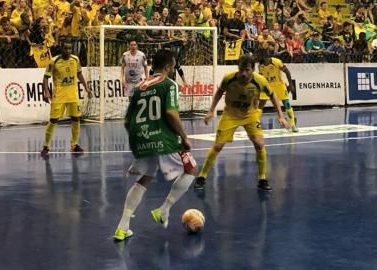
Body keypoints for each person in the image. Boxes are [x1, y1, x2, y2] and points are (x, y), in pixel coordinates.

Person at [114, 49, 198, 241]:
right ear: (169, 66)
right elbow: (171, 113)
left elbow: (128, 121)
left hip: (143, 138)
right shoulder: (169, 85)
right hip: (164, 139)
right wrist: (184, 136)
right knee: (192, 169)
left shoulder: (140, 86)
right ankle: (163, 210)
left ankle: (122, 227)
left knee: (145, 178)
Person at [194, 54, 290, 191]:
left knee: (259, 143)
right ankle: (202, 176)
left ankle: (262, 179)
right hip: (230, 115)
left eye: (247, 70)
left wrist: (280, 115)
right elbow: (219, 92)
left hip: (250, 115)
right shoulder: (229, 78)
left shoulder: (260, 81)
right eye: (241, 70)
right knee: (218, 146)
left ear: (253, 70)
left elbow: (272, 95)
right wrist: (211, 111)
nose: (243, 73)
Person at [40, 40, 92, 157]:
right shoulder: (54, 61)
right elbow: (45, 77)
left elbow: (79, 74)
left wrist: (86, 88)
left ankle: (74, 145)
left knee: (76, 118)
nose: (68, 51)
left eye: (69, 49)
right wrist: (46, 92)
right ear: (61, 49)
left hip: (73, 95)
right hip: (59, 96)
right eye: (65, 48)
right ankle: (46, 146)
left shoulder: (75, 59)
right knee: (53, 120)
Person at [257, 49, 298, 132]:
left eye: (259, 56)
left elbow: (287, 72)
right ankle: (255, 123)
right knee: (260, 105)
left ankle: (293, 124)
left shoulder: (276, 62)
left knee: (286, 103)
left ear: (265, 56)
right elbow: (261, 77)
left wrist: (291, 84)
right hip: (268, 86)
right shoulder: (260, 65)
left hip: (279, 86)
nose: (258, 57)